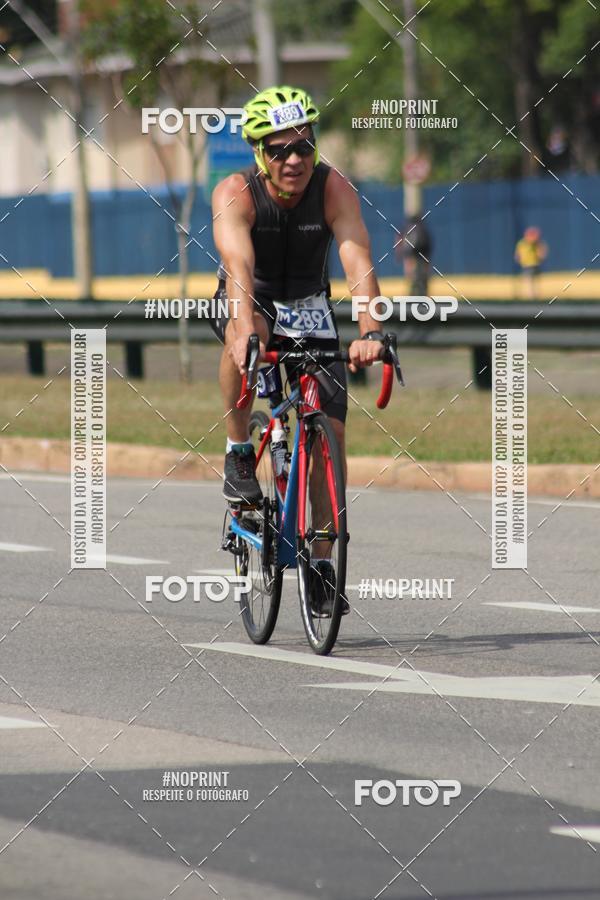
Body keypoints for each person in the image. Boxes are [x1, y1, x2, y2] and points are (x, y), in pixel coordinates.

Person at [209, 85, 386, 616]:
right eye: (279, 149)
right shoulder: (236, 192)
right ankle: (239, 447)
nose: (294, 160)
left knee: (331, 436)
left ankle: (322, 563)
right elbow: (238, 268)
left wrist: (371, 331)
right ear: (259, 153)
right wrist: (243, 327)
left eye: (304, 147)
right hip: (252, 297)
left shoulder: (334, 189)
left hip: (310, 305)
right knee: (246, 334)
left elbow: (358, 261)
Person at [396, 213, 432, 296]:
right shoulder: (422, 230)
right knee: (422, 275)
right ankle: (422, 291)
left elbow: (401, 243)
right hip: (422, 254)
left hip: (413, 254)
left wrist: (400, 255)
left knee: (413, 275)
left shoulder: (407, 230)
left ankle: (413, 290)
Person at [514, 226, 548, 299]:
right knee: (529, 279)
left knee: (534, 279)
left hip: (535, 264)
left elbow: (542, 252)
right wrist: (518, 258)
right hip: (526, 264)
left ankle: (534, 294)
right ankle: (530, 295)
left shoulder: (537, 244)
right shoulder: (522, 243)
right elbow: (518, 253)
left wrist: (541, 256)